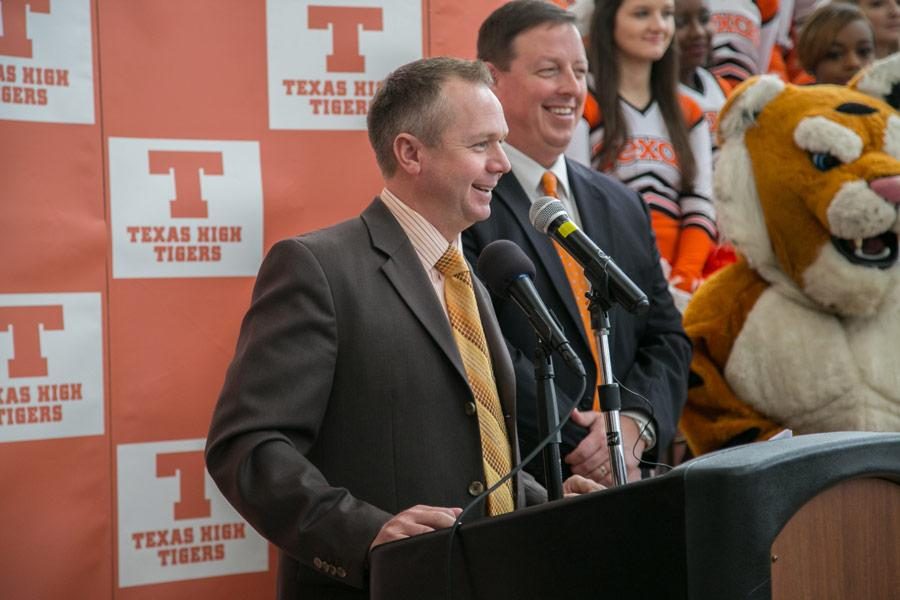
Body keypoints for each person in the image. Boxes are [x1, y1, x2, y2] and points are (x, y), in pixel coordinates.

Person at [205, 56, 598, 600]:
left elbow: (481, 460)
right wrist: (365, 534)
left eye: (501, 142)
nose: (504, 163)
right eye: (481, 144)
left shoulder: (473, 278)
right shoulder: (317, 267)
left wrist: (552, 499)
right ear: (411, 152)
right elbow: (248, 446)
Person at [465, 0, 691, 487]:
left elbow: (666, 338)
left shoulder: (623, 203)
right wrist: (589, 447)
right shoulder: (465, 204)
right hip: (528, 488)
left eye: (581, 70)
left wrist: (632, 428)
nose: (571, 88)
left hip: (635, 479)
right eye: (549, 70)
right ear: (491, 80)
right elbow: (479, 348)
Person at [585, 0, 717, 299]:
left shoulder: (688, 112)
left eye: (667, 14)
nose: (659, 25)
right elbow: (577, 203)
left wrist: (684, 277)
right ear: (609, 20)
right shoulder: (585, 103)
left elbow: (700, 203)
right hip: (611, 276)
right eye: (642, 14)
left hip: (679, 284)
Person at [797, 2, 875, 84]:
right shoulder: (794, 96)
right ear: (809, 63)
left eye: (864, 51)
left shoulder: (884, 95)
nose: (854, 63)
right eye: (835, 55)